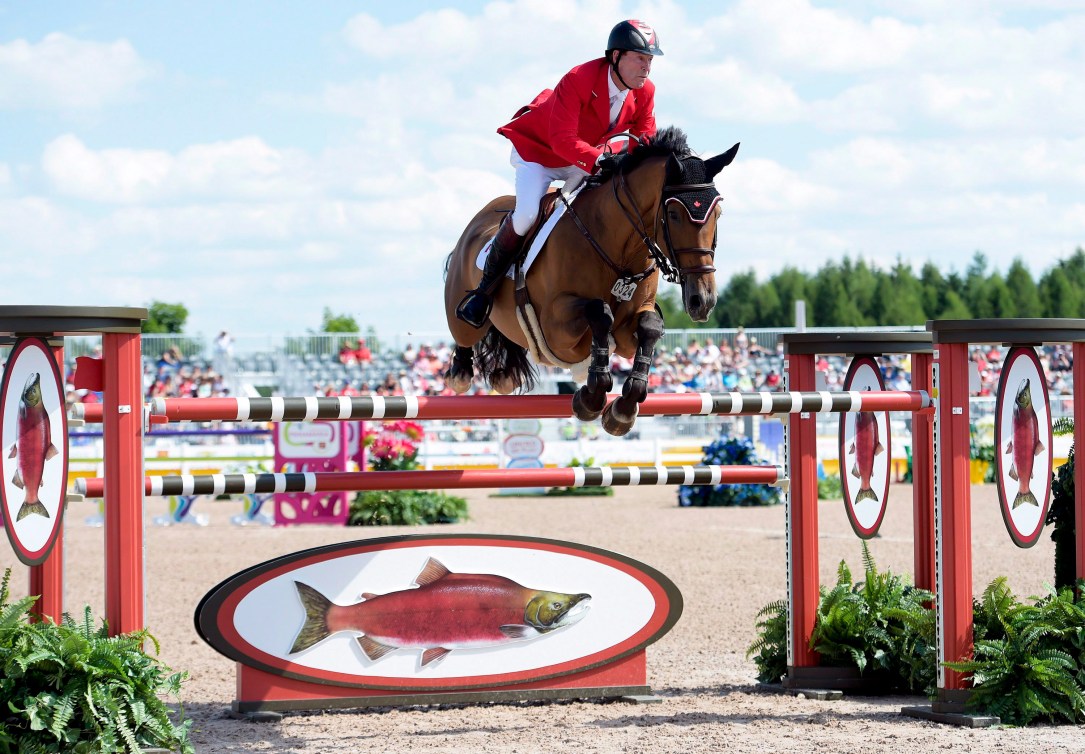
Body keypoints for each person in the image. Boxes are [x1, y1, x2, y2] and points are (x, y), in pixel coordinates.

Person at [456, 19, 663, 328]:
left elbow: (645, 140)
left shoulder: (644, 91)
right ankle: (483, 291)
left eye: (650, 59)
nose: (647, 67)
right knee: (527, 214)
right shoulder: (579, 78)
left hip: (583, 158)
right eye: (640, 58)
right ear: (616, 56)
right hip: (539, 152)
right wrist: (601, 160)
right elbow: (561, 140)